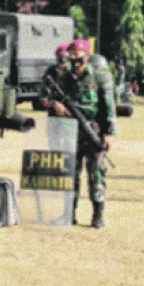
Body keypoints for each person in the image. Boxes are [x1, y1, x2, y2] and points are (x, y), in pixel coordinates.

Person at [47, 39, 116, 228]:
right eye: (71, 54)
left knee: (97, 175)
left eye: (77, 53)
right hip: (70, 132)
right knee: (70, 175)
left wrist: (109, 133)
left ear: (86, 55)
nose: (73, 57)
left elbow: (109, 106)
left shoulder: (100, 76)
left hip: (94, 131)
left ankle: (98, 215)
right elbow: (50, 98)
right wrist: (56, 105)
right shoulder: (63, 77)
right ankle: (69, 214)